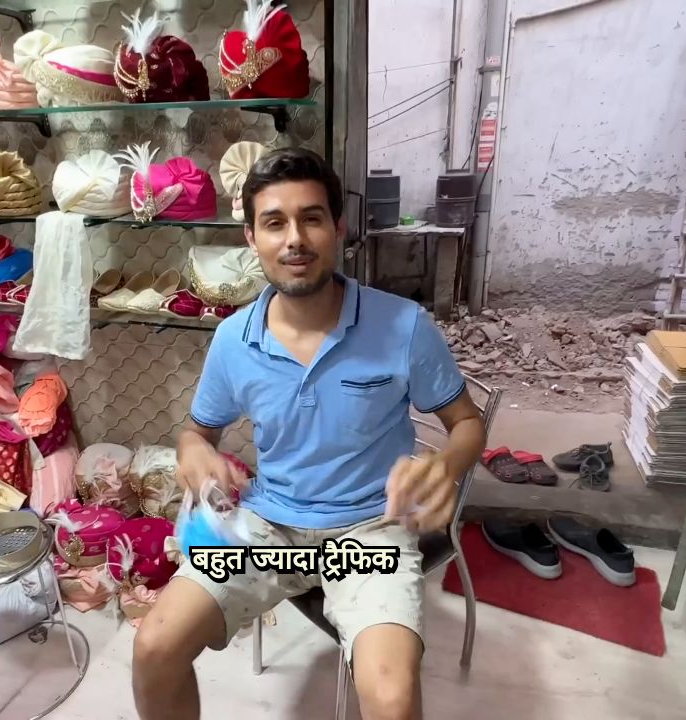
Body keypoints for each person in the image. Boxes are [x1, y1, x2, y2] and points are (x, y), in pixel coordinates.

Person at [131, 147, 487, 720]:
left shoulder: (403, 325)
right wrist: (193, 453)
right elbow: (197, 433)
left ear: (338, 228)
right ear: (252, 238)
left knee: (392, 698)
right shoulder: (233, 340)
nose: (294, 239)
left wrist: (443, 468)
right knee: (154, 647)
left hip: (371, 532)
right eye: (275, 223)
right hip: (267, 528)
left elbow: (466, 423)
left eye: (311, 218)